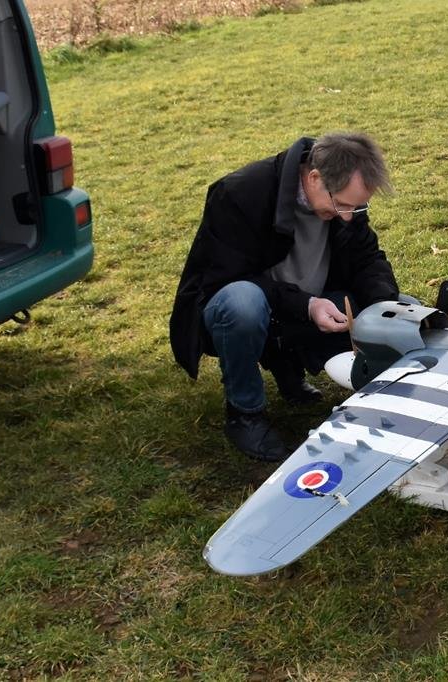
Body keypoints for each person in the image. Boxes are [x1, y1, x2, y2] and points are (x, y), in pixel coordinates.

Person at [170, 133, 399, 462]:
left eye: (357, 207)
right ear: (314, 178)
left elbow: (367, 259)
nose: (348, 216)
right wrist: (307, 305)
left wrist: (385, 307)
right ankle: (244, 413)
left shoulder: (343, 200)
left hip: (308, 302)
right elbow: (225, 279)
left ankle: (289, 363)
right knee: (242, 304)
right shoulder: (239, 193)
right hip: (240, 304)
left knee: (398, 307)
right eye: (342, 205)